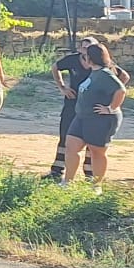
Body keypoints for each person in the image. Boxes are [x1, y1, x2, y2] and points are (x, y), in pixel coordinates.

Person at [62, 40, 127, 184]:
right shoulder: (94, 72)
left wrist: (110, 108)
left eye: (85, 55)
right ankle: (67, 182)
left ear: (91, 58)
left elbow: (121, 90)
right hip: (82, 117)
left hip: (99, 119)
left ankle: (97, 185)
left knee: (97, 152)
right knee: (71, 146)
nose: (83, 57)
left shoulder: (105, 74)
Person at [47, 39, 96, 181]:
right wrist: (62, 87)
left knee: (91, 140)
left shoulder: (101, 62)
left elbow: (122, 76)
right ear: (80, 49)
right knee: (64, 136)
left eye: (90, 47)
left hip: (91, 108)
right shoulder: (72, 60)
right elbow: (55, 67)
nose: (87, 50)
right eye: (85, 47)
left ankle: (89, 174)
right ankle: (57, 171)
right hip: (71, 104)